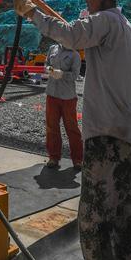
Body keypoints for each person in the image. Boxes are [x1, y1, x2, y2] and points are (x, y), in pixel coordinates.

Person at [15, 0, 131, 260]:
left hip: (106, 138)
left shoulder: (102, 21)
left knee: (93, 226)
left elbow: (71, 35)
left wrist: (31, 14)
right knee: (128, 220)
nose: (85, 1)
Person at [44, 42, 83, 170]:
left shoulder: (75, 55)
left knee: (72, 128)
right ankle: (53, 157)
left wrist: (61, 74)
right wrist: (49, 70)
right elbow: (46, 65)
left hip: (68, 97)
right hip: (52, 94)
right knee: (51, 126)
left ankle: (78, 160)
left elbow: (75, 75)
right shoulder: (52, 48)